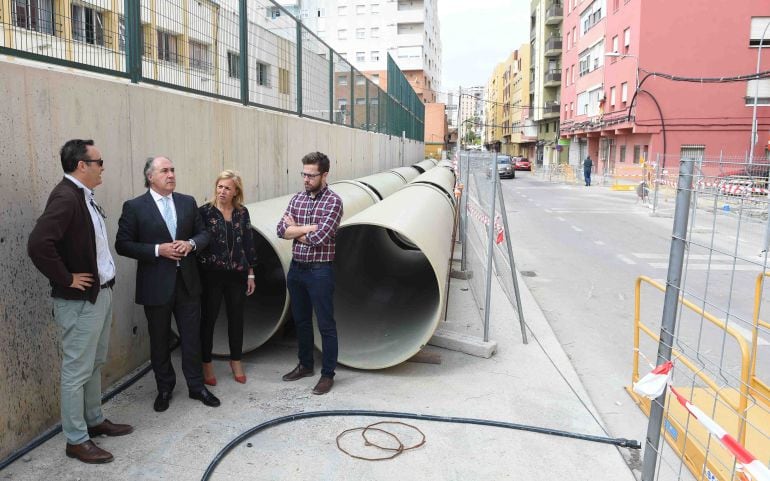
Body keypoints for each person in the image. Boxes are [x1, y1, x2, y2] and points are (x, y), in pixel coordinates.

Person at [28, 139, 133, 464]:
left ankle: (94, 419)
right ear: (81, 165)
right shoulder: (65, 197)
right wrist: (67, 277)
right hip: (79, 301)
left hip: (99, 295)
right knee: (76, 370)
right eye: (99, 161)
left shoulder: (82, 197)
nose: (103, 167)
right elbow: (39, 243)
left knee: (95, 362)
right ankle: (76, 439)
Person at [115, 156, 219, 412]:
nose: (171, 174)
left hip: (188, 283)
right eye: (165, 171)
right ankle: (164, 388)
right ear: (150, 176)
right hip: (156, 285)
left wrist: (191, 244)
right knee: (160, 340)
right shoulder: (135, 207)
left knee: (191, 337)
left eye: (173, 170)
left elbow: (204, 233)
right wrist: (157, 250)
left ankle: (196, 386)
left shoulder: (187, 202)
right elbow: (122, 244)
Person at [276, 152, 343, 395]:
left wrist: (296, 230)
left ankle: (327, 374)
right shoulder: (297, 199)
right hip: (297, 269)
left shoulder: (333, 202)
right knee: (301, 321)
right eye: (304, 174)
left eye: (311, 175)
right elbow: (280, 230)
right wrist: (305, 228)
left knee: (325, 324)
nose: (306, 179)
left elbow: (319, 238)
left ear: (324, 175)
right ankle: (305, 365)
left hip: (320, 271)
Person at [198, 170, 258, 385]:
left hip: (237, 274)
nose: (222, 191)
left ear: (236, 192)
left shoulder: (242, 213)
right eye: (220, 187)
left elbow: (248, 244)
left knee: (236, 318)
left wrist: (251, 273)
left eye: (227, 188)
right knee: (209, 319)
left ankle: (236, 360)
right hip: (211, 275)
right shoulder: (204, 212)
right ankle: (206, 362)